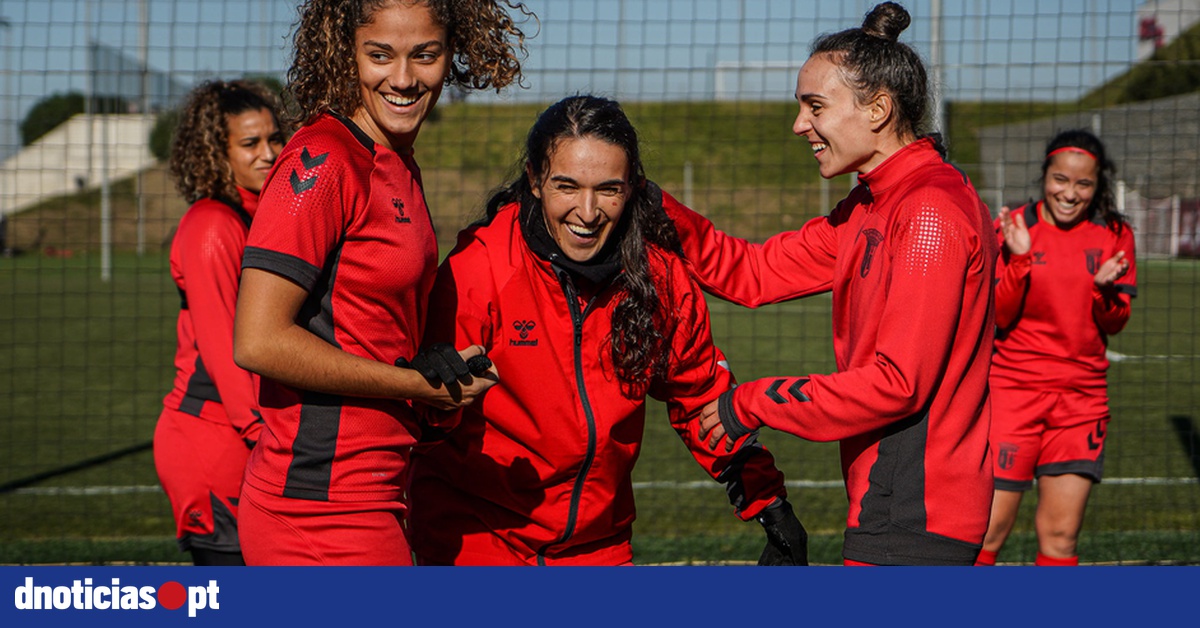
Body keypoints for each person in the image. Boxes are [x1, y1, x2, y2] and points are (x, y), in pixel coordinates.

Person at [407, 94, 808, 566]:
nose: (588, 210)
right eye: (567, 186)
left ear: (633, 187)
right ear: (535, 180)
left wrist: (770, 504)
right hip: (479, 538)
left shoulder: (658, 277)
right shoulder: (481, 266)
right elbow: (425, 419)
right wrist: (429, 392)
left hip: (600, 546)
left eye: (609, 189)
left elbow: (700, 396)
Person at [664, 2, 998, 566]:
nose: (799, 125)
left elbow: (898, 384)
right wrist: (651, 207)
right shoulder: (871, 204)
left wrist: (752, 401)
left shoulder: (929, 212)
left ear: (878, 109)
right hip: (888, 502)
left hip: (916, 511)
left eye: (814, 106)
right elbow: (754, 272)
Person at [231, 0, 529, 566]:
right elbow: (258, 340)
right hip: (318, 511)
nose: (403, 78)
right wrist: (410, 385)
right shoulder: (323, 160)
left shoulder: (395, 162)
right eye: (380, 55)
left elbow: (365, 330)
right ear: (345, 53)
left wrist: (431, 374)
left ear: (453, 53)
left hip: (376, 493)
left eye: (425, 55)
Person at [976, 129, 1135, 567]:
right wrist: (1020, 259)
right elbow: (998, 316)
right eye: (1060, 179)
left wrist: (1104, 291)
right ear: (1045, 175)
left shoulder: (1115, 234)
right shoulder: (1013, 228)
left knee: (1061, 537)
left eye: (1083, 184)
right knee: (988, 532)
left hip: (1081, 404)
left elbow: (1116, 323)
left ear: (1098, 185)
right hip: (1012, 397)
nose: (1070, 193)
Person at [154, 79, 287, 566]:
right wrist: (268, 439)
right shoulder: (213, 226)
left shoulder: (256, 219)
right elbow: (228, 352)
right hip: (215, 444)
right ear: (216, 152)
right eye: (250, 143)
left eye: (275, 139)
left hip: (245, 439)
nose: (270, 153)